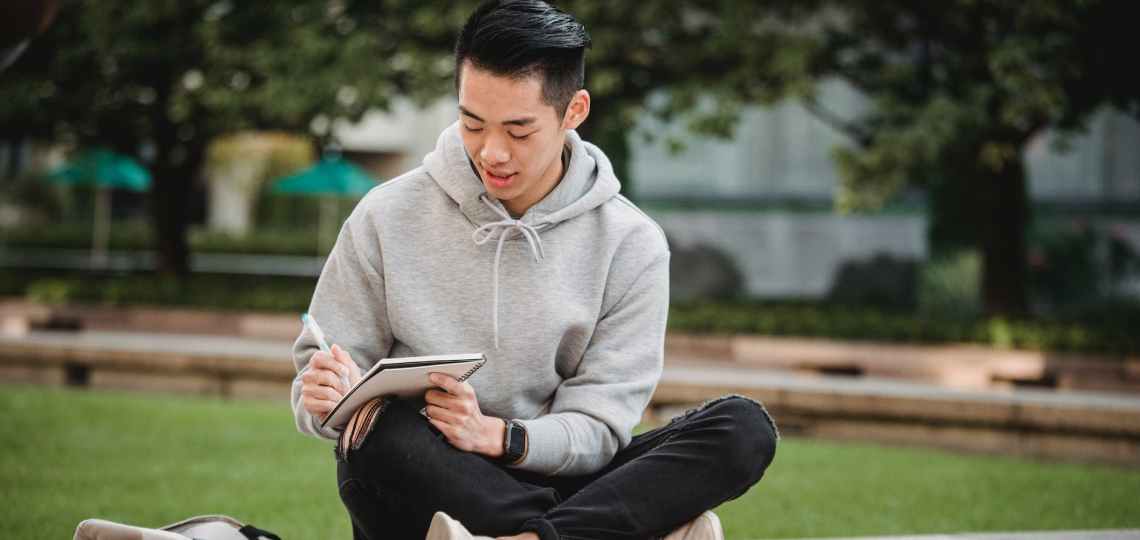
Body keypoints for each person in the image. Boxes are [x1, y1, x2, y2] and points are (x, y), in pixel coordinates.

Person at [290, 1, 779, 539]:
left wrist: (501, 437)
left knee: (742, 428)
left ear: (574, 112)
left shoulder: (631, 243)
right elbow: (330, 380)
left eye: (519, 131)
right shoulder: (386, 215)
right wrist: (323, 396)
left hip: (557, 474)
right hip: (428, 485)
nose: (492, 152)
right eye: (472, 123)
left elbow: (598, 426)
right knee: (377, 426)